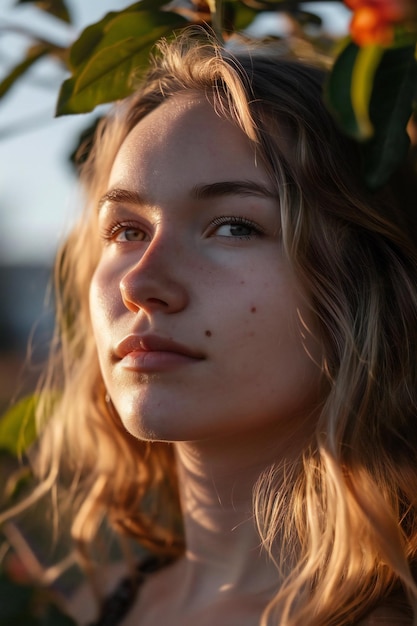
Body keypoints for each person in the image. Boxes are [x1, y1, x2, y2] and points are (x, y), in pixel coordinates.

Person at [5, 27, 417, 626]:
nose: (140, 283)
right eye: (125, 231)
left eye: (232, 226)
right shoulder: (93, 602)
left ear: (366, 279)